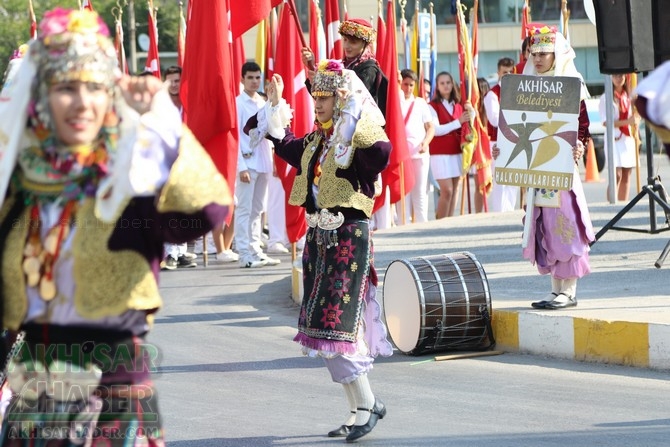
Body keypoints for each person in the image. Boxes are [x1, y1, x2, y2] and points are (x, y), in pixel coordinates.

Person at [0, 7, 231, 444]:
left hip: (113, 381)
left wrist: (163, 118)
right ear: (41, 96)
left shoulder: (132, 168)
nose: (82, 102)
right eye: (66, 88)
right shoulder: (18, 179)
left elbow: (207, 211)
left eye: (94, 87)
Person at [248, 59, 393, 442]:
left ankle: (369, 403)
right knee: (323, 330)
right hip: (319, 242)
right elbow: (287, 145)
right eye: (318, 98)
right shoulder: (318, 142)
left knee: (336, 326)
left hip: (348, 238)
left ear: (342, 100)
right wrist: (274, 107)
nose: (320, 104)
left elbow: (381, 152)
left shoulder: (355, 144)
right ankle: (360, 408)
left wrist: (353, 114)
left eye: (327, 99)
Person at [506, 25, 594, 310]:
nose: (540, 58)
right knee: (543, 226)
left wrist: (579, 144)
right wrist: (503, 150)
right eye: (535, 52)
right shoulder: (526, 85)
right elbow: (512, 128)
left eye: (545, 52)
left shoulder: (571, 83)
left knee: (565, 224)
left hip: (561, 171)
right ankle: (556, 289)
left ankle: (569, 290)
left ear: (556, 53)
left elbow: (582, 126)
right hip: (537, 171)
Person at [235, 61, 280, 268]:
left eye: (257, 77)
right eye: (250, 77)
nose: (254, 81)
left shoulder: (262, 103)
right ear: (242, 78)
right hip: (247, 162)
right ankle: (243, 253)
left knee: (258, 210)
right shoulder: (237, 104)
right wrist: (240, 166)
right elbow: (234, 138)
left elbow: (271, 131)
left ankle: (255, 249)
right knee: (244, 210)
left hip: (263, 162)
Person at [302, 18, 387, 115]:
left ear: (365, 44)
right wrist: (312, 67)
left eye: (353, 42)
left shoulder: (369, 69)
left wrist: (320, 80)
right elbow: (324, 99)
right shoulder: (341, 66)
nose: (347, 46)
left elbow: (351, 101)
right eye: (345, 40)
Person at [160, 65, 197, 269]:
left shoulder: (187, 104)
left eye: (177, 80)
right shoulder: (160, 105)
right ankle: (170, 253)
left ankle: (181, 251)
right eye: (171, 80)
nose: (174, 84)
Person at [428, 71, 473, 219]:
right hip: (440, 153)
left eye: (448, 82)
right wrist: (457, 122)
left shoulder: (459, 105)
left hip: (457, 152)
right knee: (446, 190)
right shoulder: (432, 106)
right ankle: (440, 222)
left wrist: (471, 111)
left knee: (455, 189)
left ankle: (449, 221)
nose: (446, 86)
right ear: (437, 86)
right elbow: (437, 130)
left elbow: (469, 124)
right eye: (442, 83)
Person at [399, 69, 435, 223]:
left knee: (420, 192)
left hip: (419, 154)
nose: (408, 88)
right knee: (403, 193)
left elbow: (430, 127)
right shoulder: (395, 103)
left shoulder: (420, 103)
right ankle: (403, 224)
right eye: (405, 84)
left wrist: (426, 143)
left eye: (411, 85)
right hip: (401, 156)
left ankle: (422, 224)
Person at [484, 57, 519, 212]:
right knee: (500, 180)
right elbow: (494, 119)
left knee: (513, 179)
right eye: (504, 72)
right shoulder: (492, 94)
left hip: (515, 140)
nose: (508, 75)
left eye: (511, 72)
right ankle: (500, 213)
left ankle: (510, 212)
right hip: (498, 142)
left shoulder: (517, 92)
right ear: (498, 72)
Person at [599, 73, 638, 201]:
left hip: (627, 139)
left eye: (621, 75)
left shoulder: (630, 97)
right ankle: (612, 204)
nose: (618, 78)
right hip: (613, 139)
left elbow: (636, 117)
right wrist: (627, 122)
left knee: (627, 174)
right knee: (616, 174)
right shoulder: (606, 98)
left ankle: (623, 205)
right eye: (615, 75)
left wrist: (636, 120)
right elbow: (606, 122)